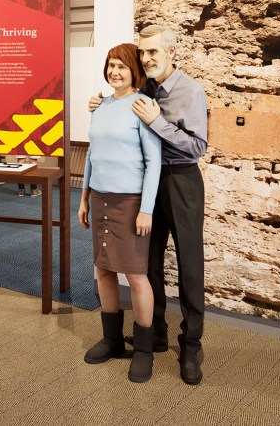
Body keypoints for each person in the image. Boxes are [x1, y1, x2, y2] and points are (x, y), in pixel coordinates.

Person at [88, 25, 208, 385]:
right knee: (148, 263)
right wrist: (101, 103)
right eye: (143, 53)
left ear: (172, 52)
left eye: (154, 51)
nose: (147, 58)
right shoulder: (145, 89)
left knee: (189, 267)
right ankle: (154, 334)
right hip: (146, 186)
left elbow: (197, 147)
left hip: (182, 180)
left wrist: (157, 122)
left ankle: (191, 345)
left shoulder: (191, 91)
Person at [79, 43, 161, 382]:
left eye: (122, 66)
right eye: (111, 65)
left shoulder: (142, 105)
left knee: (137, 276)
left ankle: (143, 349)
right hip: (99, 197)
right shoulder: (100, 105)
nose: (115, 71)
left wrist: (146, 210)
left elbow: (154, 161)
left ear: (134, 71)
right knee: (103, 270)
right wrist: (83, 197)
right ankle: (112, 339)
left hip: (130, 201)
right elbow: (91, 155)